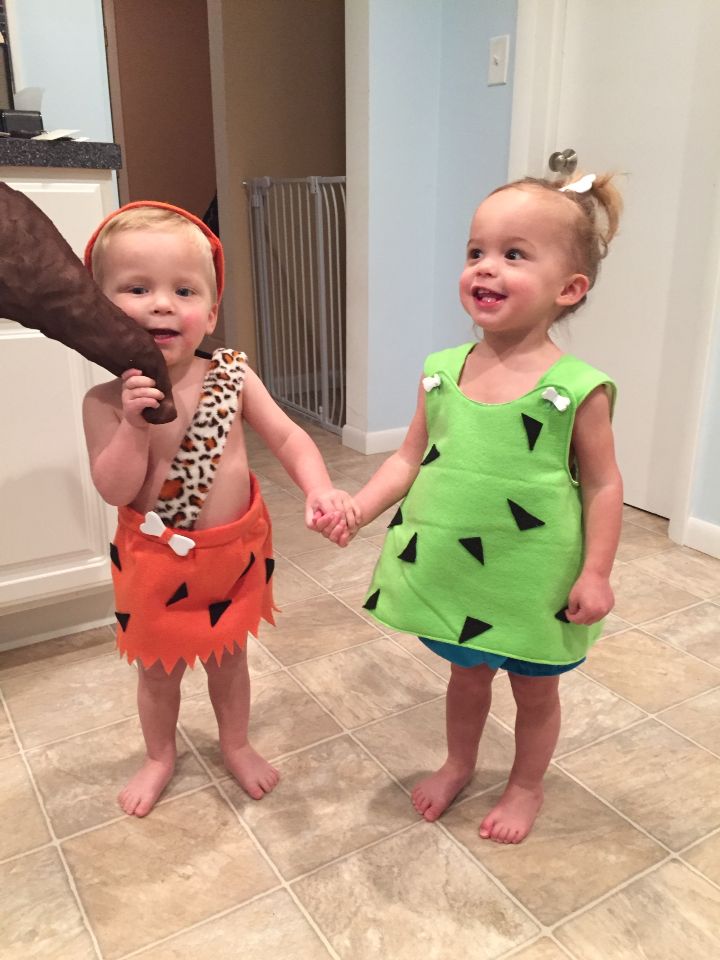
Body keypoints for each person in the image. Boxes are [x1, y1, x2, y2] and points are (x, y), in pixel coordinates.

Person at [315, 173, 623, 843]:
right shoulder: (440, 371)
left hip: (534, 578)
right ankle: (459, 762)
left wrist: (595, 571)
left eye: (515, 254)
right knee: (466, 673)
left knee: (536, 691)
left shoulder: (577, 390)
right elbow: (407, 458)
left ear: (568, 289)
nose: (486, 267)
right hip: (459, 568)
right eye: (476, 251)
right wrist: (359, 510)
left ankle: (526, 784)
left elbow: (602, 485)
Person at [83, 201, 356, 818]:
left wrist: (318, 487)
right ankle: (159, 756)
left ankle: (235, 743)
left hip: (233, 556)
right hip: (153, 560)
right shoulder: (105, 399)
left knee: (230, 662)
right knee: (157, 671)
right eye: (137, 288)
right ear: (98, 309)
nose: (162, 303)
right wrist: (130, 425)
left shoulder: (231, 376)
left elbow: (287, 437)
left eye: (184, 289)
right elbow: (115, 487)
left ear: (210, 310)